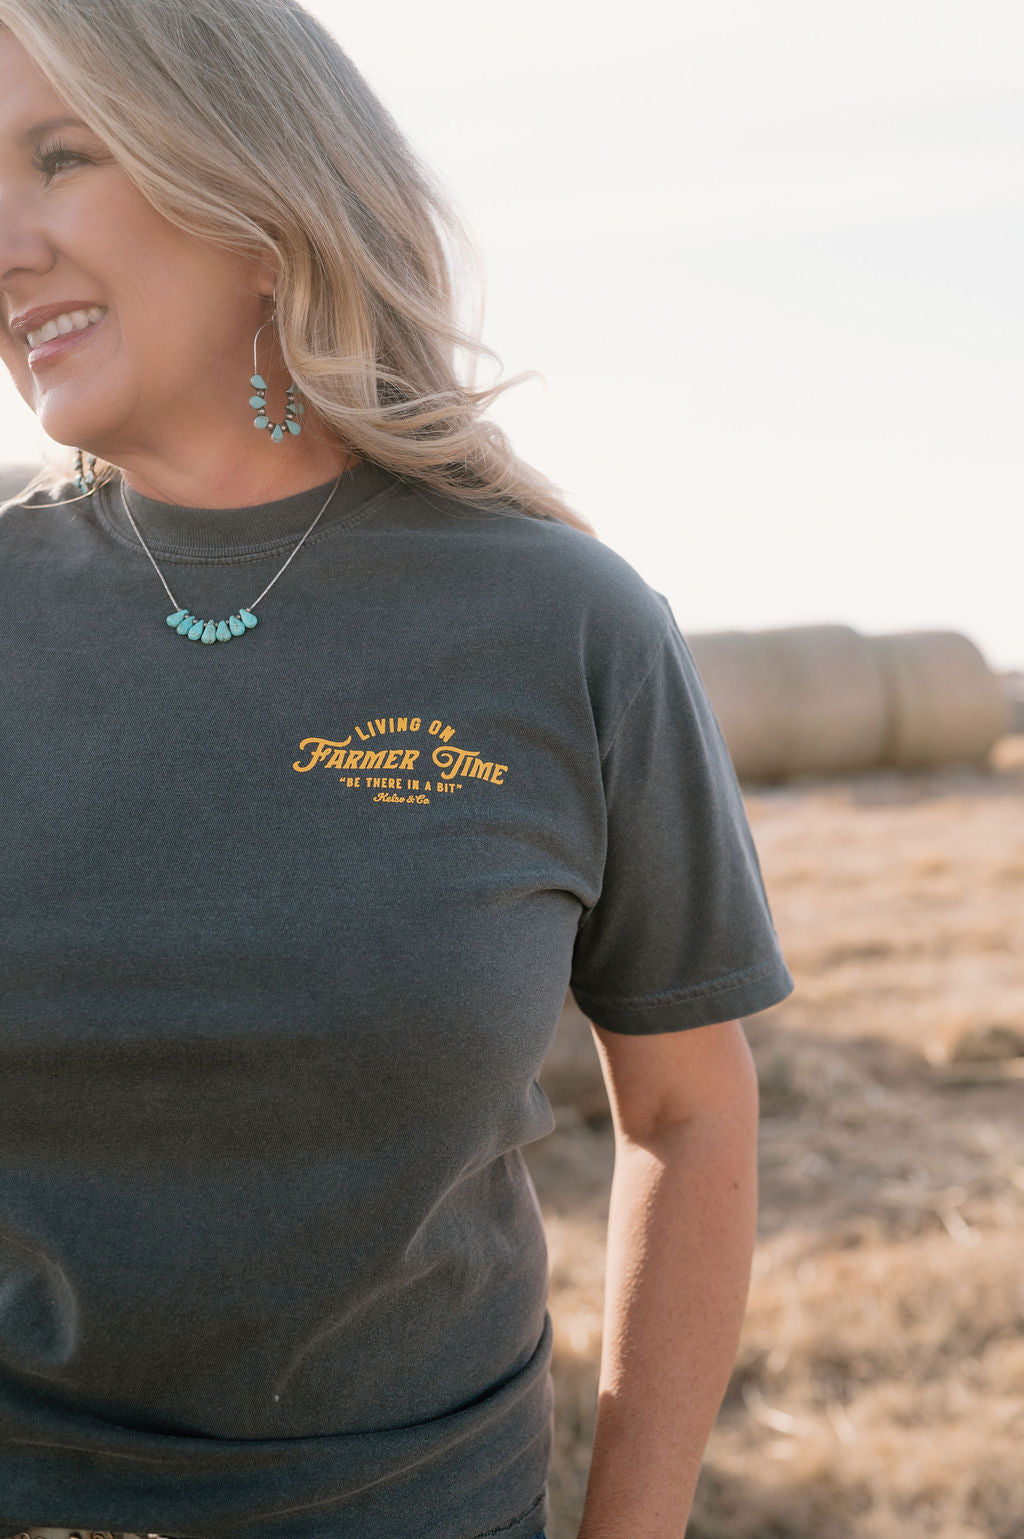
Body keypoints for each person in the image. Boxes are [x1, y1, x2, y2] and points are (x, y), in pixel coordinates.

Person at [0, 2, 795, 1537]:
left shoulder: (567, 625)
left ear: (256, 186)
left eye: (59, 157)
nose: (2, 240)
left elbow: (693, 1116)